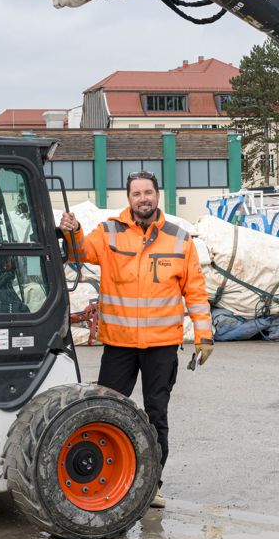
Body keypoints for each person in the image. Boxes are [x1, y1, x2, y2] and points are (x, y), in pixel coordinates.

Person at [59, 171, 212, 509]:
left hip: (161, 346)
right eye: (136, 193)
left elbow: (196, 292)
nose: (143, 198)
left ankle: (150, 485)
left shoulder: (178, 239)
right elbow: (78, 252)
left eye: (148, 192)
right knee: (104, 411)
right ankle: (103, 480)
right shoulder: (110, 231)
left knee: (156, 415)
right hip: (120, 344)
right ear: (128, 199)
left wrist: (204, 335)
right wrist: (72, 230)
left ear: (158, 195)